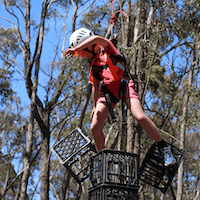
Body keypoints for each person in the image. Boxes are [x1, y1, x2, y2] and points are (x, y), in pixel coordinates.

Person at [64, 28, 175, 167]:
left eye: (82, 52)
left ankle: (165, 148)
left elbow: (98, 39)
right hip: (109, 93)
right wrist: (94, 106)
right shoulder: (93, 66)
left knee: (140, 117)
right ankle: (103, 159)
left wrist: (76, 48)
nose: (83, 55)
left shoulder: (108, 48)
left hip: (125, 86)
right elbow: (95, 87)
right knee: (94, 127)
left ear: (88, 46)